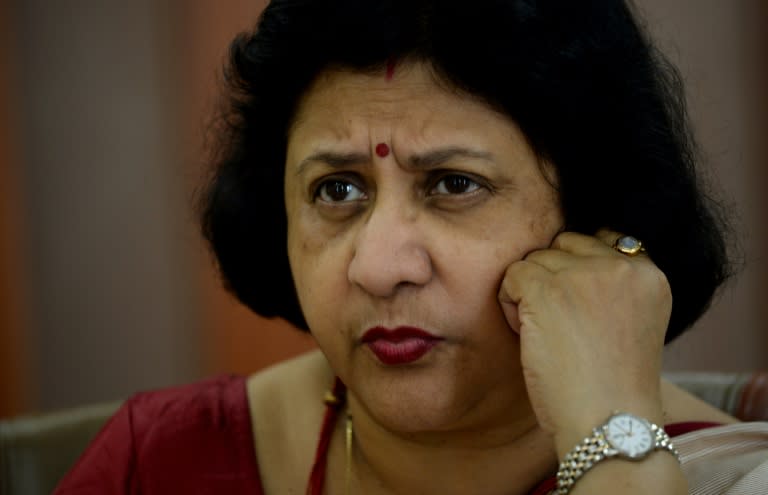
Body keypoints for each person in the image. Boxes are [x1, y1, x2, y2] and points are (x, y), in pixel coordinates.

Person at [55, 1, 768, 494]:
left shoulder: (736, 475)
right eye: (337, 190)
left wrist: (619, 451)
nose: (377, 265)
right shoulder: (162, 465)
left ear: (595, 220)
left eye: (453, 183)